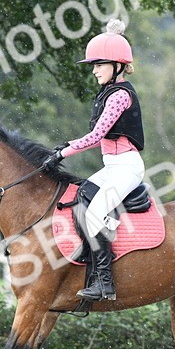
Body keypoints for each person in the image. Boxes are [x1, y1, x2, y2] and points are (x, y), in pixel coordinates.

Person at [42, 19, 145, 301]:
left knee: (93, 213)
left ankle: (105, 283)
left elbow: (97, 135)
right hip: (112, 167)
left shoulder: (119, 95)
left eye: (100, 64)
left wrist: (63, 153)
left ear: (118, 66)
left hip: (127, 167)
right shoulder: (107, 93)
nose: (95, 70)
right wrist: (64, 146)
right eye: (94, 65)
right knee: (80, 197)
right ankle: (95, 252)